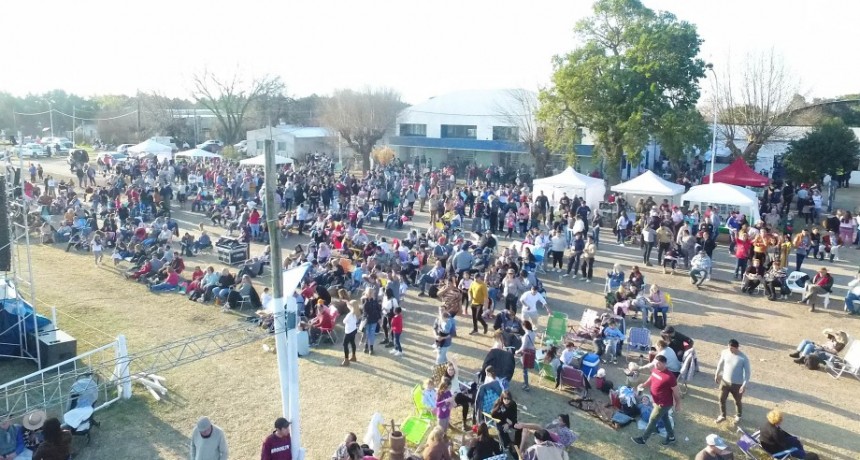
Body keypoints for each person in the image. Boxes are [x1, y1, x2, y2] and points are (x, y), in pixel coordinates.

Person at [631, 355, 680, 446]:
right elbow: (651, 379)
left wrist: (678, 404)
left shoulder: (670, 377)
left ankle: (643, 439)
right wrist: (644, 385)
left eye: (658, 363)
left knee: (653, 419)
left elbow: (676, 392)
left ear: (665, 364)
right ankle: (671, 437)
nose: (656, 365)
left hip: (663, 403)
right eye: (655, 363)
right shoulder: (655, 370)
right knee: (665, 418)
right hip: (656, 400)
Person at [714, 339, 751, 423]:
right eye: (729, 347)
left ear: (737, 348)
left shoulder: (743, 358)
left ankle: (738, 415)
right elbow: (720, 363)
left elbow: (747, 373)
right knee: (721, 398)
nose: (730, 350)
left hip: (737, 384)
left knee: (737, 401)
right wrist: (717, 374)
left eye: (732, 348)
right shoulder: (725, 352)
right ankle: (722, 415)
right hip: (725, 381)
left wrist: (744, 385)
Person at [516, 321, 536, 391]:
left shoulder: (526, 335)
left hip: (526, 353)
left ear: (524, 326)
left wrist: (517, 351)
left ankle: (526, 384)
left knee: (525, 370)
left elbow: (523, 347)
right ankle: (525, 383)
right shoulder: (533, 333)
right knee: (526, 369)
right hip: (532, 351)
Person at [341, 300, 359, 366]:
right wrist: (347, 302)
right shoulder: (356, 312)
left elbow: (344, 321)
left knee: (345, 344)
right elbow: (350, 307)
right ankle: (354, 356)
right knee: (352, 342)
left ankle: (346, 360)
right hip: (354, 330)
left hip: (348, 331)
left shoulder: (349, 314)